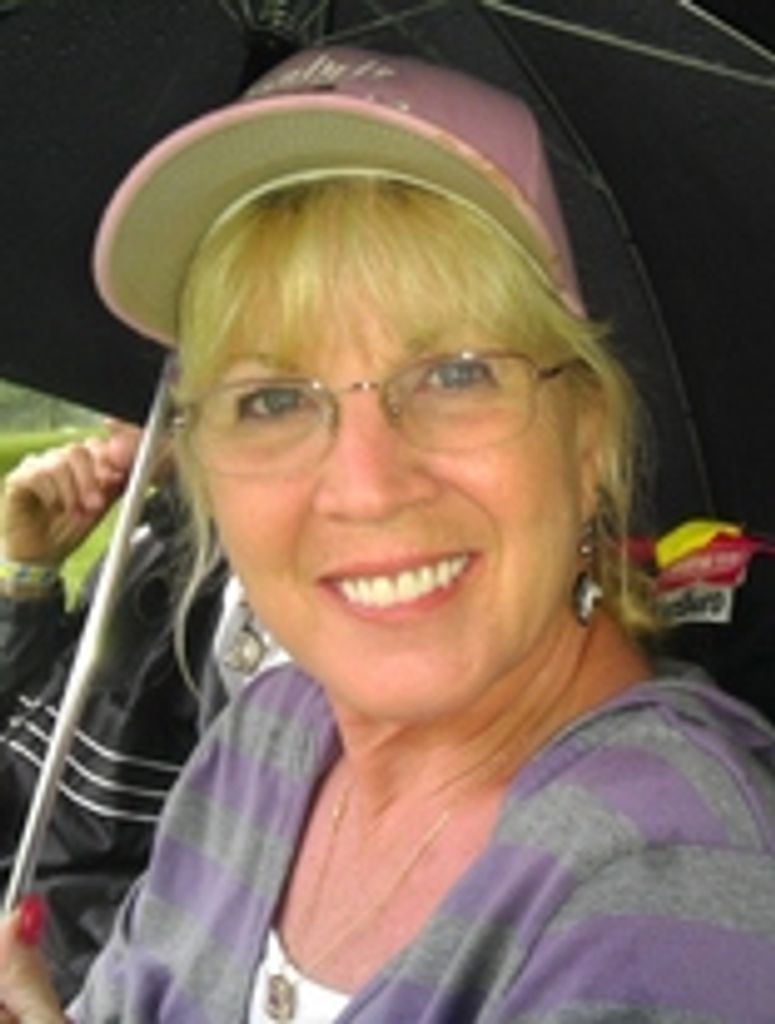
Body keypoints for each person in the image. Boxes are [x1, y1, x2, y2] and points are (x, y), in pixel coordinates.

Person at [1, 44, 774, 1023]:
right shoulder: (263, 738)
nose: (366, 489)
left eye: (455, 374)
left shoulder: (676, 888)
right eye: (272, 397)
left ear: (587, 437)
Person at [0, 422, 228, 1001]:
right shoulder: (150, 532)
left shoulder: (246, 600)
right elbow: (26, 735)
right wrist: (29, 578)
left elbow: (189, 895)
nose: (108, 408)